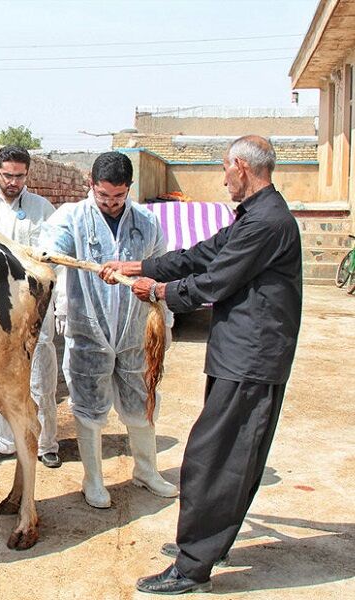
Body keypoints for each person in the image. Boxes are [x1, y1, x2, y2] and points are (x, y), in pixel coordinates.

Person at [101, 136, 302, 594]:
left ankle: (192, 566)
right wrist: (139, 266)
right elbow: (201, 255)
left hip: (252, 359)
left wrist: (158, 292)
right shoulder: (255, 216)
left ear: (241, 167)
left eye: (224, 169)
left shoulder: (266, 223)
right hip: (239, 354)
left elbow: (214, 279)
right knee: (230, 455)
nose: (222, 177)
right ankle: (208, 545)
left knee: (215, 459)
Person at [39, 151, 178, 509]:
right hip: (89, 333)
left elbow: (161, 264)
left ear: (128, 189)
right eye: (104, 197)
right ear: (92, 185)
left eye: (118, 197)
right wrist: (61, 256)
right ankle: (94, 480)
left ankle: (146, 471)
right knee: (88, 406)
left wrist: (154, 297)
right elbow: (51, 254)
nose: (111, 204)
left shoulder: (146, 221)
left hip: (134, 329)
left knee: (142, 401)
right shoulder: (71, 218)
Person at [0, 144, 62, 469]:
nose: (13, 182)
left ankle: (45, 444)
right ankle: (1, 442)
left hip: (32, 307)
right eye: (8, 175)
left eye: (19, 176)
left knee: (40, 376)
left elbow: (54, 258)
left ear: (26, 175)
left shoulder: (43, 210)